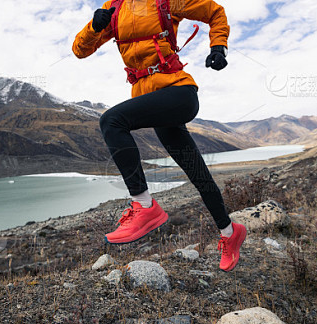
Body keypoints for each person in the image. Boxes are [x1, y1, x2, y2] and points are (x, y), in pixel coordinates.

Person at [72, 0, 246, 271]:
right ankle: (229, 232)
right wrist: (94, 27)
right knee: (197, 172)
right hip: (155, 103)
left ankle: (143, 205)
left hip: (178, 92)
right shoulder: (113, 9)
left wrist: (218, 46)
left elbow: (215, 12)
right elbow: (80, 50)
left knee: (112, 121)